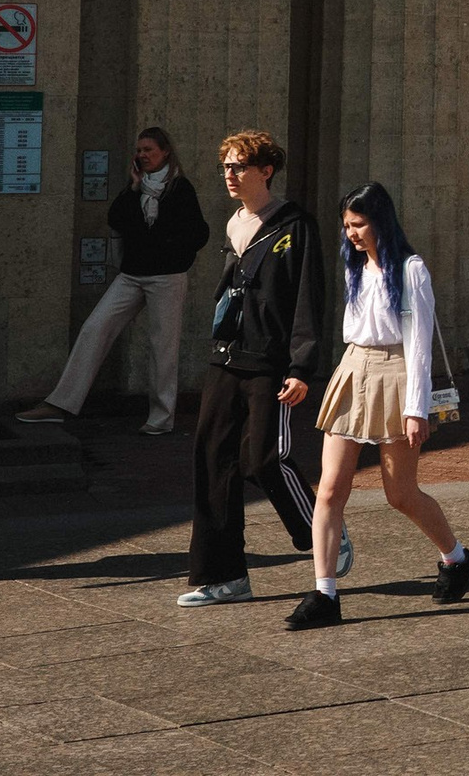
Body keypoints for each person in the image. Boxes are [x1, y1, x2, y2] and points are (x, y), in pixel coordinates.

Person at [286, 184, 469, 629]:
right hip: (354, 367)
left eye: (359, 224)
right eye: (346, 226)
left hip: (397, 373)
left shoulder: (410, 270)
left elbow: (419, 345)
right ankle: (325, 593)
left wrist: (417, 408)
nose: (351, 234)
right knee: (331, 489)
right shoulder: (356, 266)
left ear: (382, 221)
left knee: (400, 494)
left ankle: (456, 557)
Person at [181, 130, 324, 608]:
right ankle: (223, 576)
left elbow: (308, 299)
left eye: (238, 166)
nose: (229, 175)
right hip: (226, 357)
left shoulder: (295, 224)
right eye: (225, 166)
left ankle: (323, 533)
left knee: (263, 457)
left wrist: (302, 366)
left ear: (265, 170)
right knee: (212, 460)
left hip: (271, 362)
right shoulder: (234, 223)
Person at [18, 126, 208, 434]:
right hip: (132, 275)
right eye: (140, 150)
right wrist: (133, 187)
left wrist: (173, 254)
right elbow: (116, 218)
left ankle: (161, 418)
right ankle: (61, 403)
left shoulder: (179, 188)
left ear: (165, 153)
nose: (142, 155)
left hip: (166, 277)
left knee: (163, 346)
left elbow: (198, 232)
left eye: (149, 149)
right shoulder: (136, 187)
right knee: (95, 328)